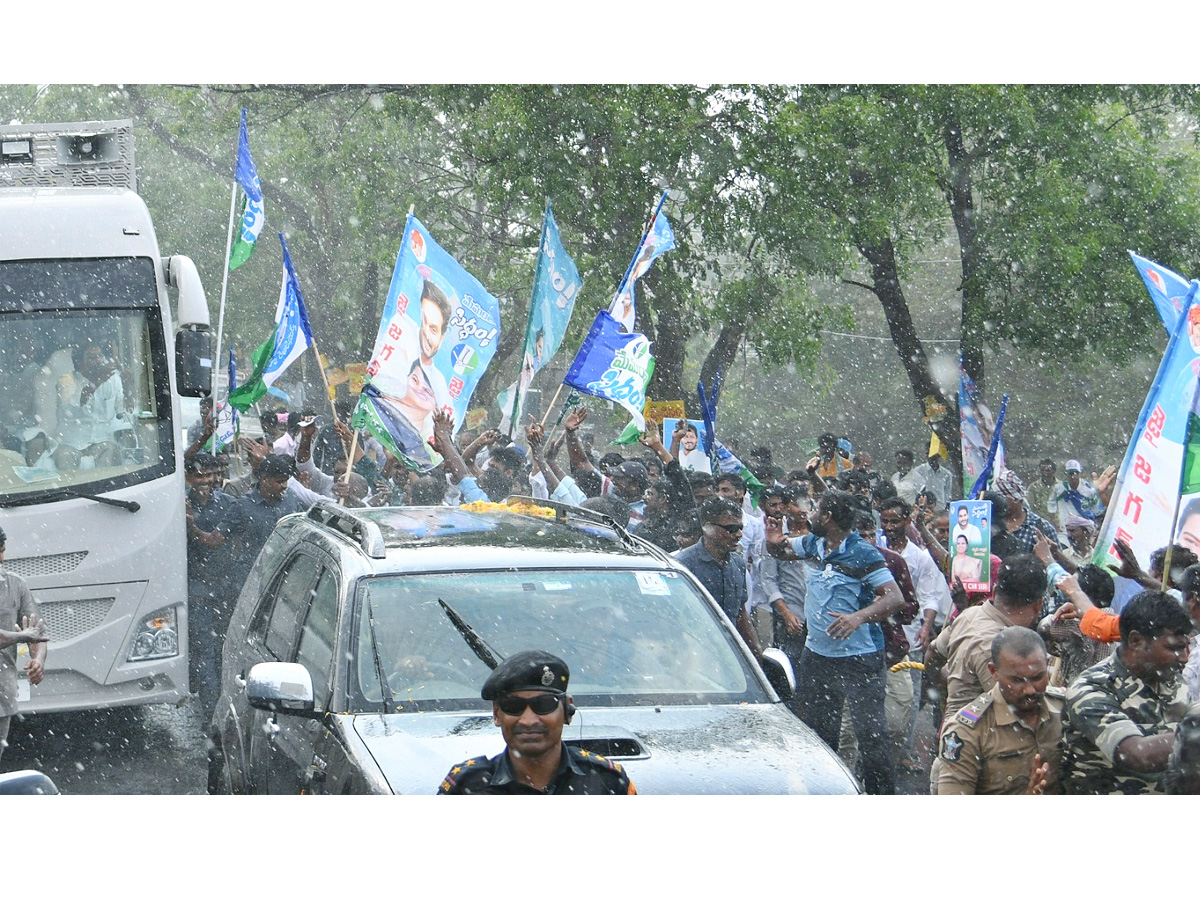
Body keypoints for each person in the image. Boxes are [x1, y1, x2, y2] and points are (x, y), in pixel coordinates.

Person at [765, 489, 905, 794]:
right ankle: (824, 793)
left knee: (871, 736)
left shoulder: (863, 552)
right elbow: (781, 551)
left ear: (827, 518)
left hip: (860, 659)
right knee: (818, 733)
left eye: (815, 510)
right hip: (818, 657)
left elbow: (895, 598)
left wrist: (859, 617)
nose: (810, 514)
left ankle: (882, 796)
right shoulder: (814, 544)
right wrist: (772, 539)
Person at [924, 553, 1049, 792]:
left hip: (956, 750)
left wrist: (944, 688)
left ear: (995, 590)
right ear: (1038, 604)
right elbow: (1027, 711)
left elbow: (932, 652)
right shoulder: (999, 649)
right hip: (980, 767)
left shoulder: (971, 614)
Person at [437, 650, 636, 794]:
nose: (528, 720)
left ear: (567, 711)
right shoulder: (466, 787)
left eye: (543, 705)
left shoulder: (607, 782)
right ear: (497, 714)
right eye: (513, 706)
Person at [1061, 589, 1193, 794]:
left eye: (1186, 647)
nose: (1184, 658)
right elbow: (1137, 755)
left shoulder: (1171, 678)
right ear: (1135, 641)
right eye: (1175, 648)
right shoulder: (1092, 688)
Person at [935, 627, 1063, 795]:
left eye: (1037, 677)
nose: (1030, 690)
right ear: (993, 672)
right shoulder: (966, 730)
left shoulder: (1064, 708)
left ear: (1046, 665)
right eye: (1017, 680)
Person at [674, 496, 763, 660]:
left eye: (740, 528)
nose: (739, 535)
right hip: (693, 656)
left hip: (729, 656)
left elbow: (741, 614)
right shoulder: (682, 567)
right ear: (707, 527)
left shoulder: (737, 563)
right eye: (731, 529)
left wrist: (757, 655)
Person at [0, 526, 49, 762]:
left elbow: (37, 633)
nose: (1, 557)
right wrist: (21, 637)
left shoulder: (15, 585)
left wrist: (38, 659)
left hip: (2, 696)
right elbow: (25, 635)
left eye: (2, 550)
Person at [1048, 458, 1104, 529]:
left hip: (1085, 529)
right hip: (1065, 529)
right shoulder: (1059, 488)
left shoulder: (1088, 490)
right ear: (1066, 474)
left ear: (1080, 473)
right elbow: (1051, 504)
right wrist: (1054, 522)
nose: (1073, 477)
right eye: (1070, 473)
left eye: (1076, 473)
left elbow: (1097, 510)